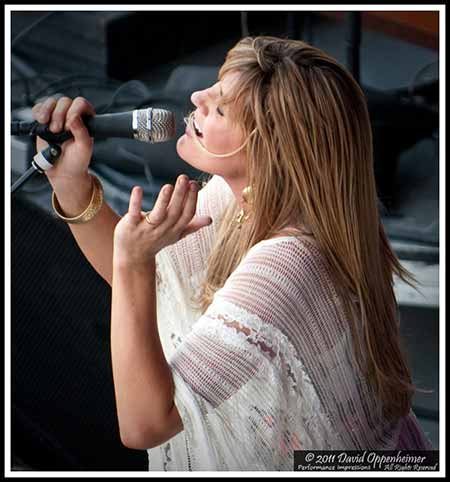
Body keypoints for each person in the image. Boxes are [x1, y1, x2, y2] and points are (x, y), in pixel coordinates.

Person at [31, 36, 433, 471]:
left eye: (220, 107)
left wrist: (133, 263)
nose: (195, 98)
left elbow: (144, 424)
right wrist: (71, 183)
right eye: (214, 88)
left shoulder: (285, 266)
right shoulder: (242, 197)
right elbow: (164, 282)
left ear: (271, 149)